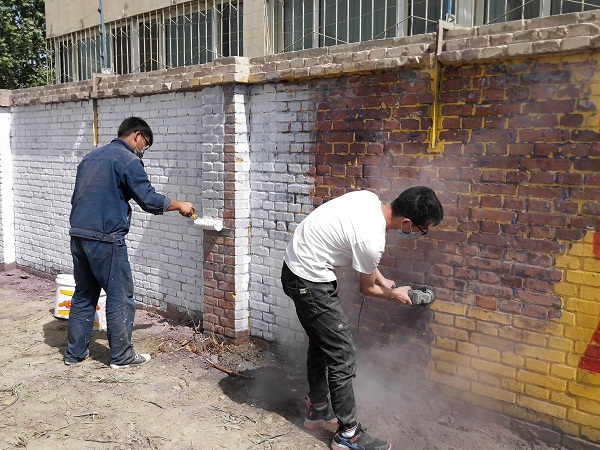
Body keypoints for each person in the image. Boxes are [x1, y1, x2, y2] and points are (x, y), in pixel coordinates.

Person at [281, 186, 443, 450]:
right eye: (420, 229)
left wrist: (383, 280)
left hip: (296, 267)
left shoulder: (367, 199)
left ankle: (317, 409)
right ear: (406, 222)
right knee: (343, 354)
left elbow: (361, 251)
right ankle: (348, 435)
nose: (418, 233)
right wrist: (394, 294)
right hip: (308, 279)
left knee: (322, 343)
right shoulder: (373, 240)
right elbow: (366, 289)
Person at [64, 117, 196, 369]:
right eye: (145, 144)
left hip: (79, 235)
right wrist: (180, 205)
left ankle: (74, 354)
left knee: (83, 295)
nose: (143, 150)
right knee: (120, 297)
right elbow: (148, 199)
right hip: (105, 239)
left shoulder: (90, 158)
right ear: (137, 135)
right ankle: (122, 357)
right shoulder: (127, 159)